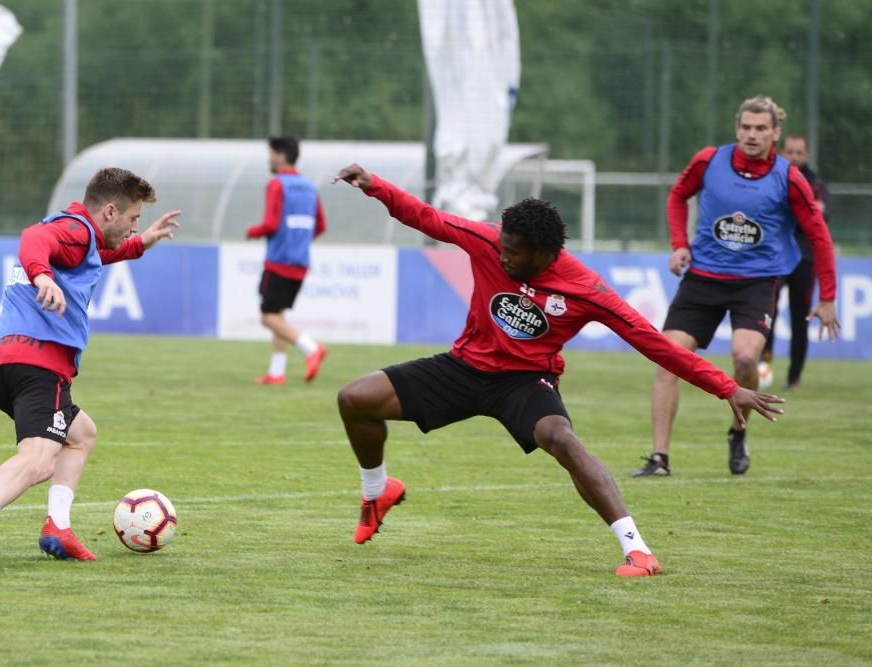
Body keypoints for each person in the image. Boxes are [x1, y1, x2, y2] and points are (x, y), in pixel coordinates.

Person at [332, 163, 785, 577]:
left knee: (561, 438)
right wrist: (376, 187)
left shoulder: (585, 289)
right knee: (355, 399)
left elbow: (656, 345)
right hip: (465, 367)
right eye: (502, 247)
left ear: (544, 253)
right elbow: (428, 217)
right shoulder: (491, 241)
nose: (503, 256)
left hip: (525, 381)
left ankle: (638, 550)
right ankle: (377, 491)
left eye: (513, 252)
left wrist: (726, 387)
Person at [0, 167, 181, 574]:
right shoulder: (74, 229)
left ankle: (58, 527)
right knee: (38, 461)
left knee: (81, 433)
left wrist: (143, 243)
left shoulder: (81, 237)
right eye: (132, 219)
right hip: (38, 365)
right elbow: (34, 240)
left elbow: (96, 256)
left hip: (5, 361)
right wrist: (41, 275)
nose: (133, 225)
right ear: (108, 212)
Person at [635, 97, 839, 479]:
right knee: (668, 358)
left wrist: (827, 297)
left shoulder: (788, 176)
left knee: (746, 360)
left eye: (761, 128)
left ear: (775, 133)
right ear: (737, 128)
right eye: (746, 127)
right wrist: (679, 242)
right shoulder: (709, 161)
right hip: (703, 279)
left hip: (756, 283)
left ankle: (738, 430)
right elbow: (678, 195)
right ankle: (660, 458)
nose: (752, 134)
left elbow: (818, 233)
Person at [246, 136, 328, 385]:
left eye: (271, 153)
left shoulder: (277, 184)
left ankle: (312, 349)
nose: (269, 158)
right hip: (300, 261)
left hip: (279, 260)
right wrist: (299, 241)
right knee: (278, 316)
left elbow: (271, 223)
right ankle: (276, 372)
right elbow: (321, 225)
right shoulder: (310, 186)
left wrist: (253, 231)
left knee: (267, 317)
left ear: (281, 155)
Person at [758, 134, 830, 391]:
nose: (794, 157)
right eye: (790, 152)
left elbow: (821, 217)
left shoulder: (817, 186)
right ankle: (763, 361)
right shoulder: (772, 180)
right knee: (767, 313)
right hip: (775, 259)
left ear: (806, 155)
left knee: (801, 320)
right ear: (782, 153)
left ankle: (794, 377)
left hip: (805, 261)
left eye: (799, 153)